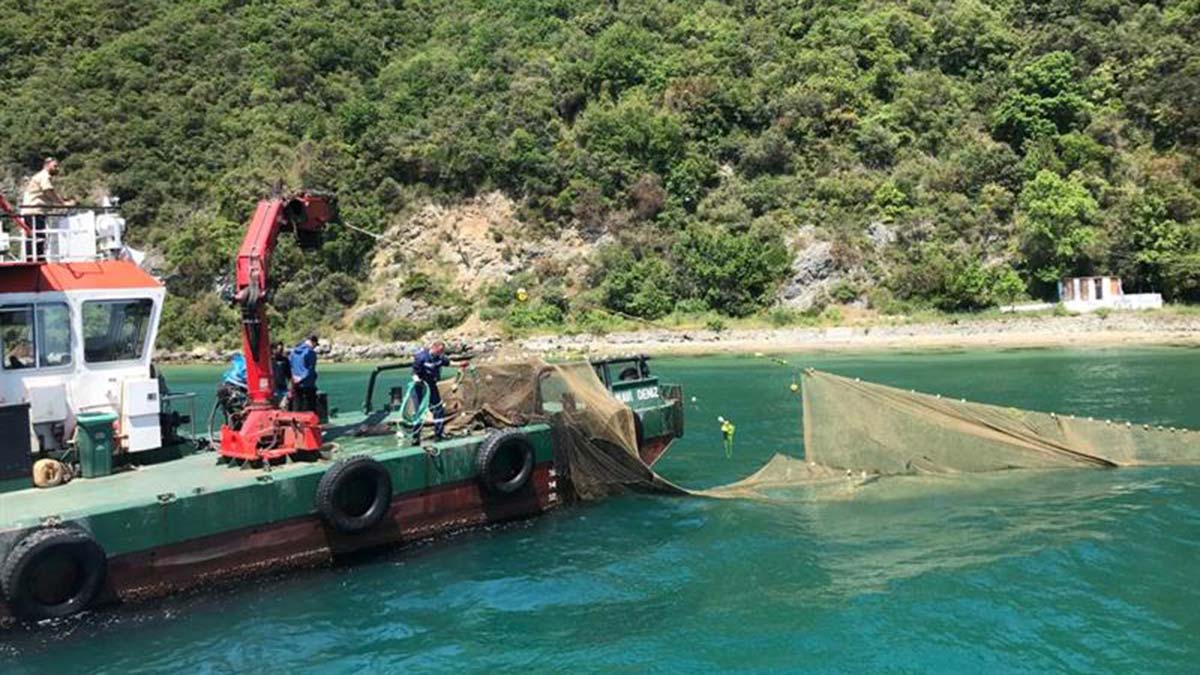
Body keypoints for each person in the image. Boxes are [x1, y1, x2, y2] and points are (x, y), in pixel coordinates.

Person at [410, 340, 465, 443]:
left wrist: (460, 364)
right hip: (420, 387)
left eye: (442, 351)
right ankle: (415, 436)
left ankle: (438, 433)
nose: (441, 353)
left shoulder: (439, 358)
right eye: (440, 351)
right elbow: (414, 372)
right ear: (434, 348)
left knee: (438, 408)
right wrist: (416, 379)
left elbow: (449, 363)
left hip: (432, 386)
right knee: (419, 411)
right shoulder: (421, 357)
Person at [289, 333, 319, 413]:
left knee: (297, 406)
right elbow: (310, 369)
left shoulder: (293, 352)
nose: (315, 347)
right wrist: (302, 377)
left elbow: (290, 366)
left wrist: (295, 377)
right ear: (312, 342)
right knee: (311, 407)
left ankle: (296, 423)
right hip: (308, 384)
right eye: (315, 345)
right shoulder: (310, 353)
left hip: (296, 383)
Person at [271, 342, 292, 406]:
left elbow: (289, 375)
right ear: (273, 350)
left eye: (282, 349)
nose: (281, 351)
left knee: (284, 407)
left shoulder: (285, 360)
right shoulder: (269, 360)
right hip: (273, 389)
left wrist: (290, 389)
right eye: (279, 349)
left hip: (283, 389)